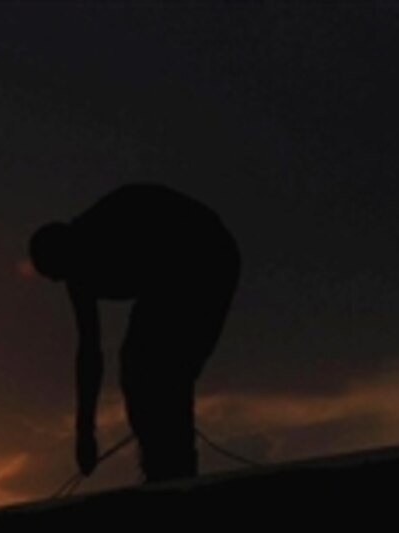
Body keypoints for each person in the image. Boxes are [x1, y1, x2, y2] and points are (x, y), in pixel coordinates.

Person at [28, 184, 240, 482]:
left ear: (67, 246)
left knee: (155, 370)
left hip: (205, 257)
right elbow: (89, 352)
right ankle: (167, 467)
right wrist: (85, 432)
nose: (66, 280)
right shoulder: (78, 275)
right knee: (149, 372)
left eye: (60, 272)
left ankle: (171, 470)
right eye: (58, 277)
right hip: (175, 275)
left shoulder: (107, 228)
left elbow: (168, 276)